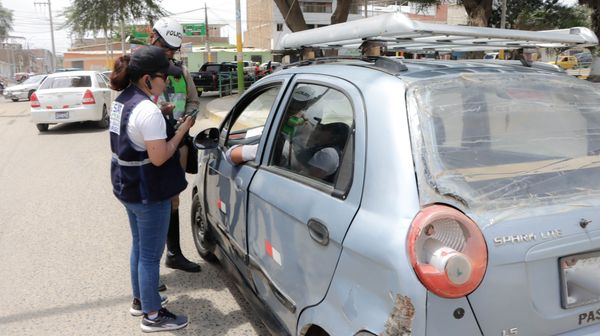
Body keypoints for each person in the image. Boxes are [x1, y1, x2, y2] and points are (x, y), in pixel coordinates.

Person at [109, 45, 193, 332]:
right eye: (163, 77)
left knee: (139, 247)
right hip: (148, 193)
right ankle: (153, 315)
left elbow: (135, 134)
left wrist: (159, 112)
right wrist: (181, 130)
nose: (167, 82)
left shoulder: (124, 100)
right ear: (147, 79)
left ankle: (140, 301)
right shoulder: (148, 112)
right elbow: (159, 156)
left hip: (127, 188)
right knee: (149, 256)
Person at [150, 17, 202, 273]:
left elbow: (193, 101)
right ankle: (149, 270)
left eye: (172, 50)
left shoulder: (181, 72)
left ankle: (174, 253)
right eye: (165, 48)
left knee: (173, 200)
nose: (169, 54)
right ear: (153, 38)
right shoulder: (138, 72)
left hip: (178, 145)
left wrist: (189, 118)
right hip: (150, 149)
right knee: (149, 204)